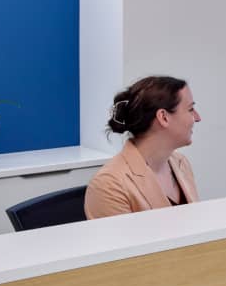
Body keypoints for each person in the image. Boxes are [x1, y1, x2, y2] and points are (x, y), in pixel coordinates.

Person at [85, 75, 202, 219]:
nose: (197, 117)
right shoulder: (109, 185)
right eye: (190, 109)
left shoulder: (181, 163)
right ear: (164, 117)